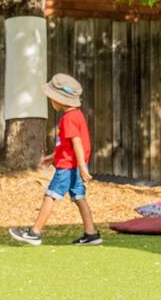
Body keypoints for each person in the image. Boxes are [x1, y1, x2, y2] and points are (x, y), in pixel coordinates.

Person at [9, 74, 101, 246]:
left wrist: (82, 167)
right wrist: (53, 156)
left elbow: (77, 143)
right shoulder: (77, 115)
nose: (50, 101)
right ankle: (91, 234)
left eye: (51, 97)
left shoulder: (68, 119)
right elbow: (67, 145)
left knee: (50, 196)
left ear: (60, 100)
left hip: (68, 168)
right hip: (72, 165)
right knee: (79, 198)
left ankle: (34, 233)